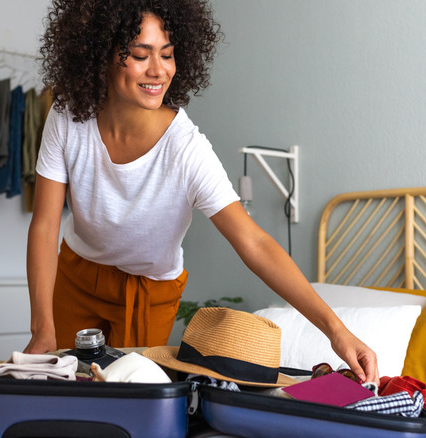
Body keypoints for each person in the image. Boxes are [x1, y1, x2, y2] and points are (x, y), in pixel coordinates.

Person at [24, 0, 380, 384]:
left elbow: (255, 244)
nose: (158, 71)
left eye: (168, 54)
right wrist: (41, 327)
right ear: (101, 56)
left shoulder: (186, 149)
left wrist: (336, 331)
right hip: (78, 275)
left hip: (150, 290)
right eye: (141, 55)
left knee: (123, 396)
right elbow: (44, 225)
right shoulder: (68, 115)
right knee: (60, 388)